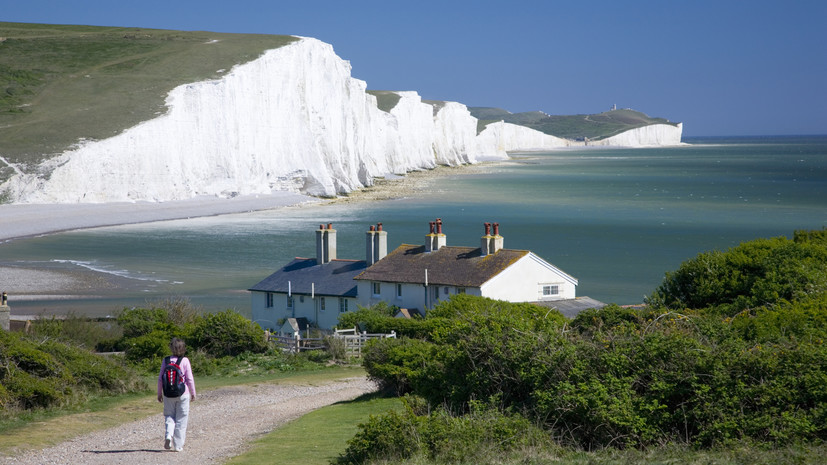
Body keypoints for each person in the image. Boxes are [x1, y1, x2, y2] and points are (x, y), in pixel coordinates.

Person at [157, 337, 196, 452]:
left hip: (168, 394)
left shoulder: (166, 360)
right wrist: (193, 393)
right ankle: (178, 445)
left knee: (169, 416)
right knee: (181, 419)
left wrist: (160, 393)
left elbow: (160, 379)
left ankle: (168, 435)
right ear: (183, 349)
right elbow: (189, 379)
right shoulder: (185, 361)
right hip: (182, 394)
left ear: (171, 348)